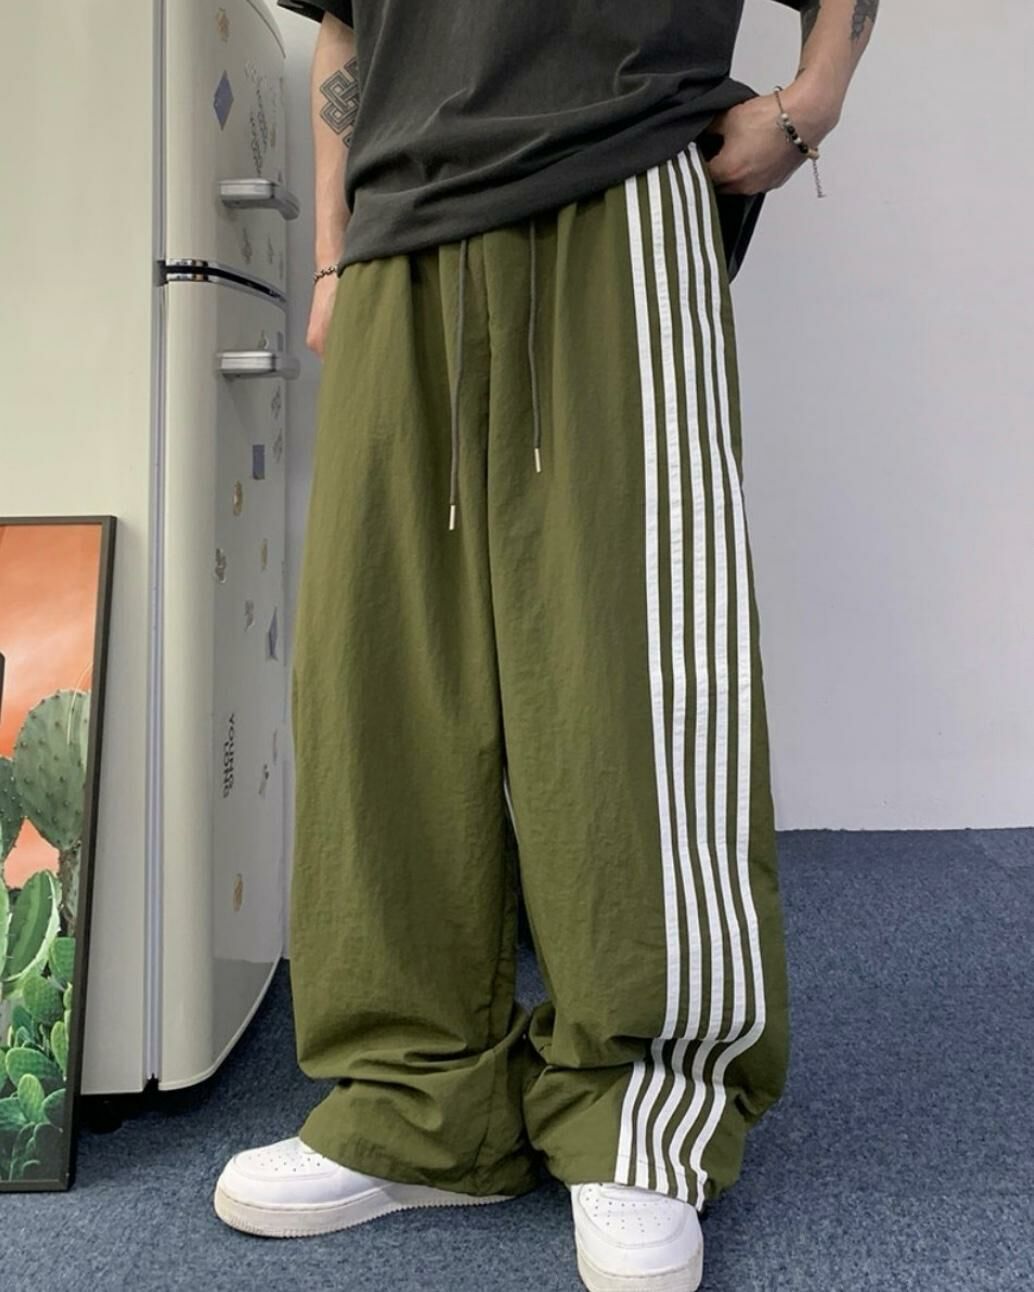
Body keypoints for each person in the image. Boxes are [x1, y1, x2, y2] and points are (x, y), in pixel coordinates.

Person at [214, 2, 876, 1288]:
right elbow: (345, 34)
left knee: (627, 668)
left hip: (616, 187)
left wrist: (810, 104)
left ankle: (640, 1103)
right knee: (380, 680)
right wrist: (333, 258)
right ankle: (414, 1102)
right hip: (401, 234)